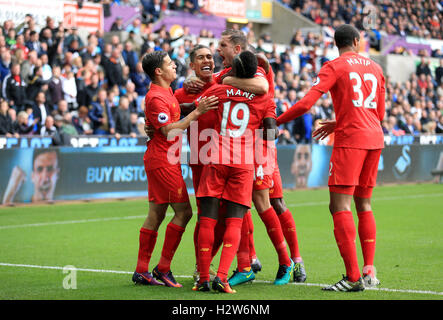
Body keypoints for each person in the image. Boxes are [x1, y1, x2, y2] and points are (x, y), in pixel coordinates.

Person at [277, 24, 385, 292]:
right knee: (365, 204)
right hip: (375, 139)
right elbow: (377, 114)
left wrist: (274, 121)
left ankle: (351, 277)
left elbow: (304, 105)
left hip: (351, 143)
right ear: (358, 41)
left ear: (336, 43)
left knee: (339, 206)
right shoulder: (375, 67)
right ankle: (369, 270)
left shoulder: (335, 66)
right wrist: (340, 122)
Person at [132, 50, 218, 288]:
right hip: (163, 162)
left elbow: (170, 115)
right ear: (158, 71)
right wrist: (198, 112)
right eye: (170, 64)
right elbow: (170, 130)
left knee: (156, 214)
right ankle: (163, 268)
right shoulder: (157, 97)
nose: (174, 66)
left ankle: (142, 271)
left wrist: (197, 103)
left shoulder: (166, 92)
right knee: (185, 212)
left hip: (162, 160)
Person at [194, 51, 274, 293]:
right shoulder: (265, 99)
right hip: (243, 164)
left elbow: (196, 106)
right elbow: (270, 133)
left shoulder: (219, 90)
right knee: (234, 221)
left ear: (234, 71)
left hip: (216, 157)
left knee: (207, 219)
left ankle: (203, 278)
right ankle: (222, 277)